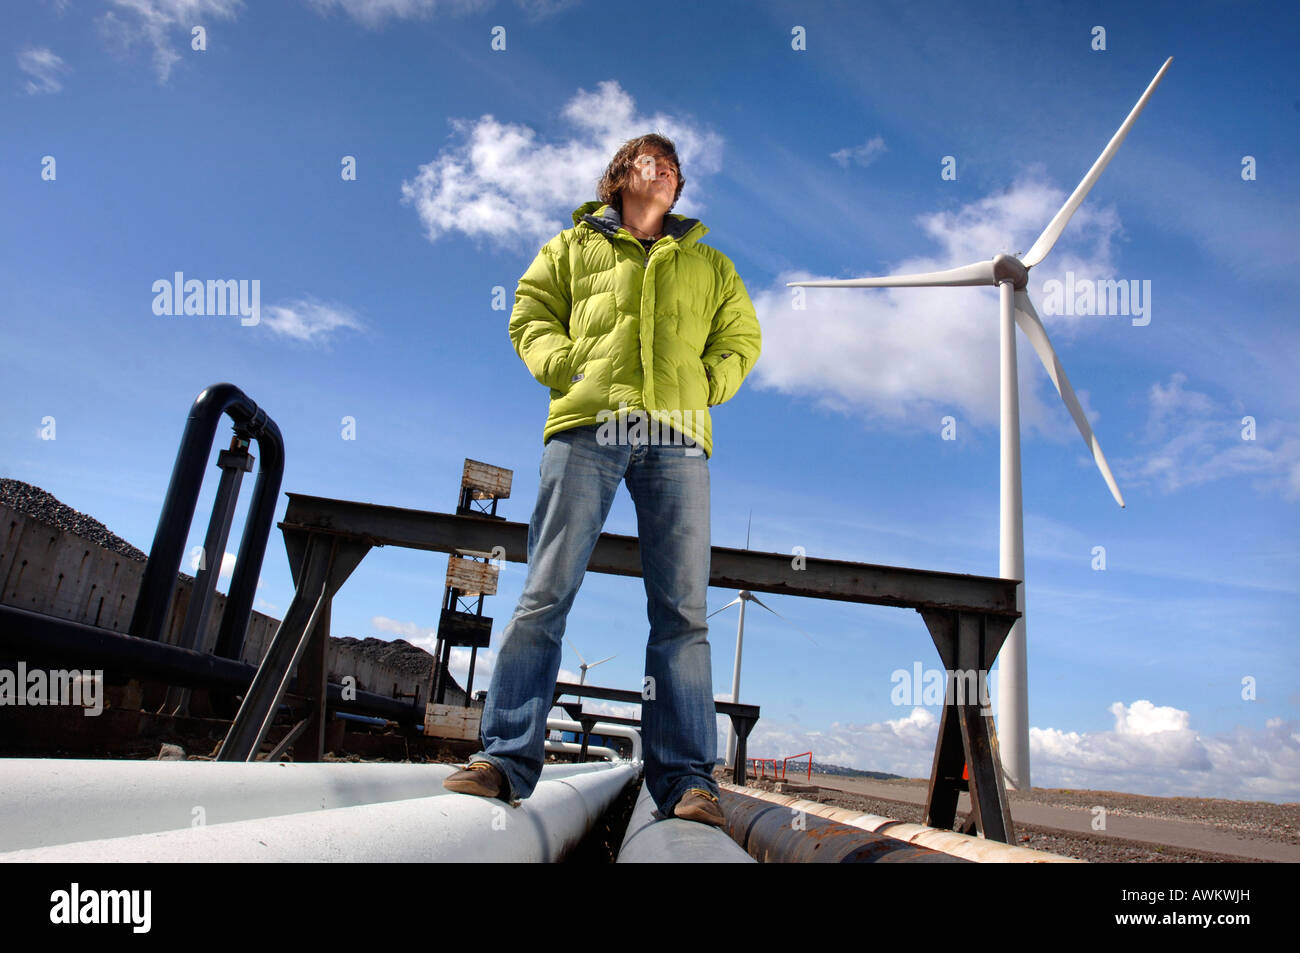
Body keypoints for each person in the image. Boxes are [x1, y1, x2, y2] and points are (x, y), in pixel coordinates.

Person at [443, 133, 761, 826]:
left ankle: (686, 782)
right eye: (654, 158)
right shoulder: (570, 247)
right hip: (588, 427)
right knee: (546, 590)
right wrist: (566, 366)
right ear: (621, 175)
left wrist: (708, 381)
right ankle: (503, 759)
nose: (668, 168)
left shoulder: (710, 264)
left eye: (675, 164)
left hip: (678, 438)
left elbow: (743, 338)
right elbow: (528, 313)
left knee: (682, 612)